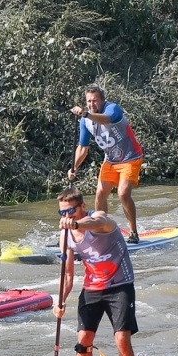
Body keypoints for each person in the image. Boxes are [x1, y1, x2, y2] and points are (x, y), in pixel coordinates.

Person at [55, 188, 136, 356]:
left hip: (120, 285)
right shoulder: (65, 235)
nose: (66, 216)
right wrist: (60, 301)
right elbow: (69, 275)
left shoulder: (100, 219)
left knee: (121, 339)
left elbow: (93, 223)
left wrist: (76, 224)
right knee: (83, 342)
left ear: (82, 207)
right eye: (62, 213)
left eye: (71, 211)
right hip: (92, 288)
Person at [70, 85, 144, 243]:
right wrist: (74, 168)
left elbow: (106, 120)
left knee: (123, 193)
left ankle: (133, 232)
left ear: (102, 100)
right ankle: (101, 231)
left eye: (95, 101)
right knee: (100, 194)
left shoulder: (112, 109)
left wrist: (86, 114)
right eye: (89, 101)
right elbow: (83, 148)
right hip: (110, 159)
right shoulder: (86, 121)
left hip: (130, 157)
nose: (91, 104)